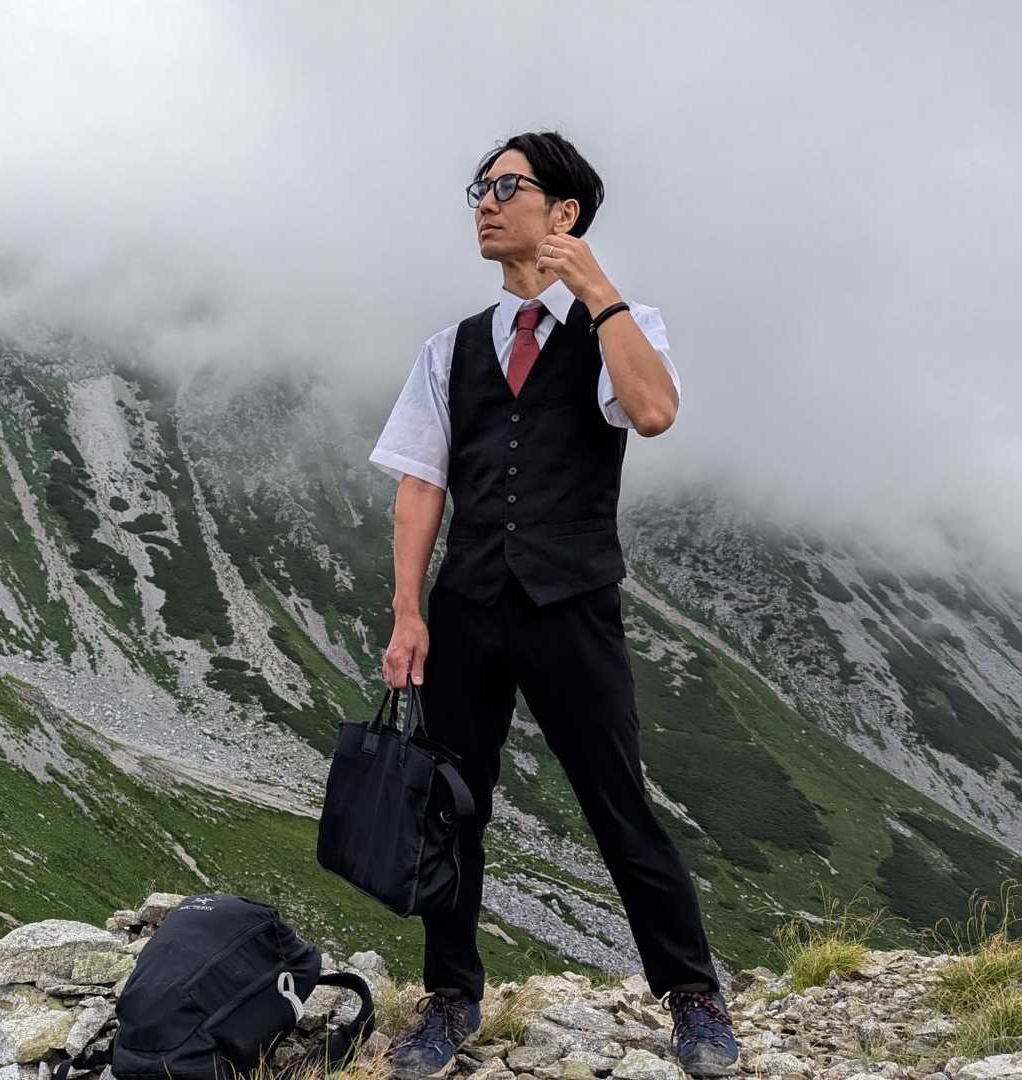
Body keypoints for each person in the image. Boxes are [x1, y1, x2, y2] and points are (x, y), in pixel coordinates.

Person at [366, 130, 740, 1079]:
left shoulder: (623, 325)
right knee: (451, 807)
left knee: (618, 802)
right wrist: (408, 611)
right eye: (479, 189)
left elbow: (653, 413)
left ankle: (692, 995)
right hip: (467, 605)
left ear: (563, 212)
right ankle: (451, 998)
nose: (485, 204)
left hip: (572, 602)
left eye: (507, 187)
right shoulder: (449, 349)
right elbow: (420, 485)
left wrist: (596, 290)